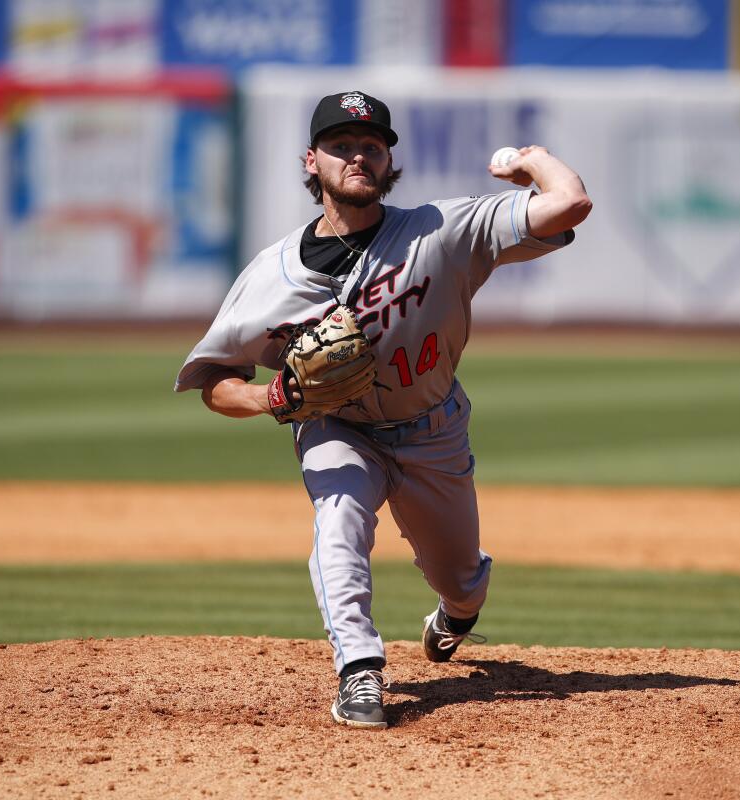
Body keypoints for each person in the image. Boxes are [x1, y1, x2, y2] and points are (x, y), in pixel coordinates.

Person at [175, 90, 591, 729]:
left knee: (461, 578)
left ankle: (455, 614)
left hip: (433, 431)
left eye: (372, 145)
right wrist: (270, 397)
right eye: (341, 146)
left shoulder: (440, 231)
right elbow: (214, 382)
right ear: (311, 161)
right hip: (338, 427)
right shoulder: (269, 276)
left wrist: (533, 160)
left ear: (388, 159)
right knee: (338, 516)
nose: (358, 156)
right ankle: (359, 672)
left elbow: (571, 204)